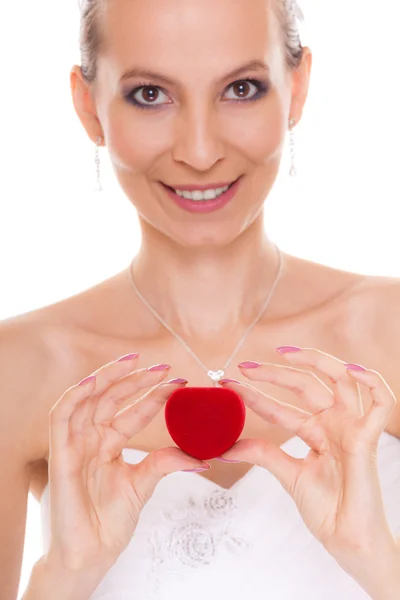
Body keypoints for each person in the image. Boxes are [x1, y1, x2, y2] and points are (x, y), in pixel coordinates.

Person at [1, 0, 400, 598]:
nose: (199, 150)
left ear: (296, 87)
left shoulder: (387, 330)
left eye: (241, 88)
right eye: (150, 95)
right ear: (89, 105)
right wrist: (62, 577)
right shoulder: (20, 368)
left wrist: (377, 560)